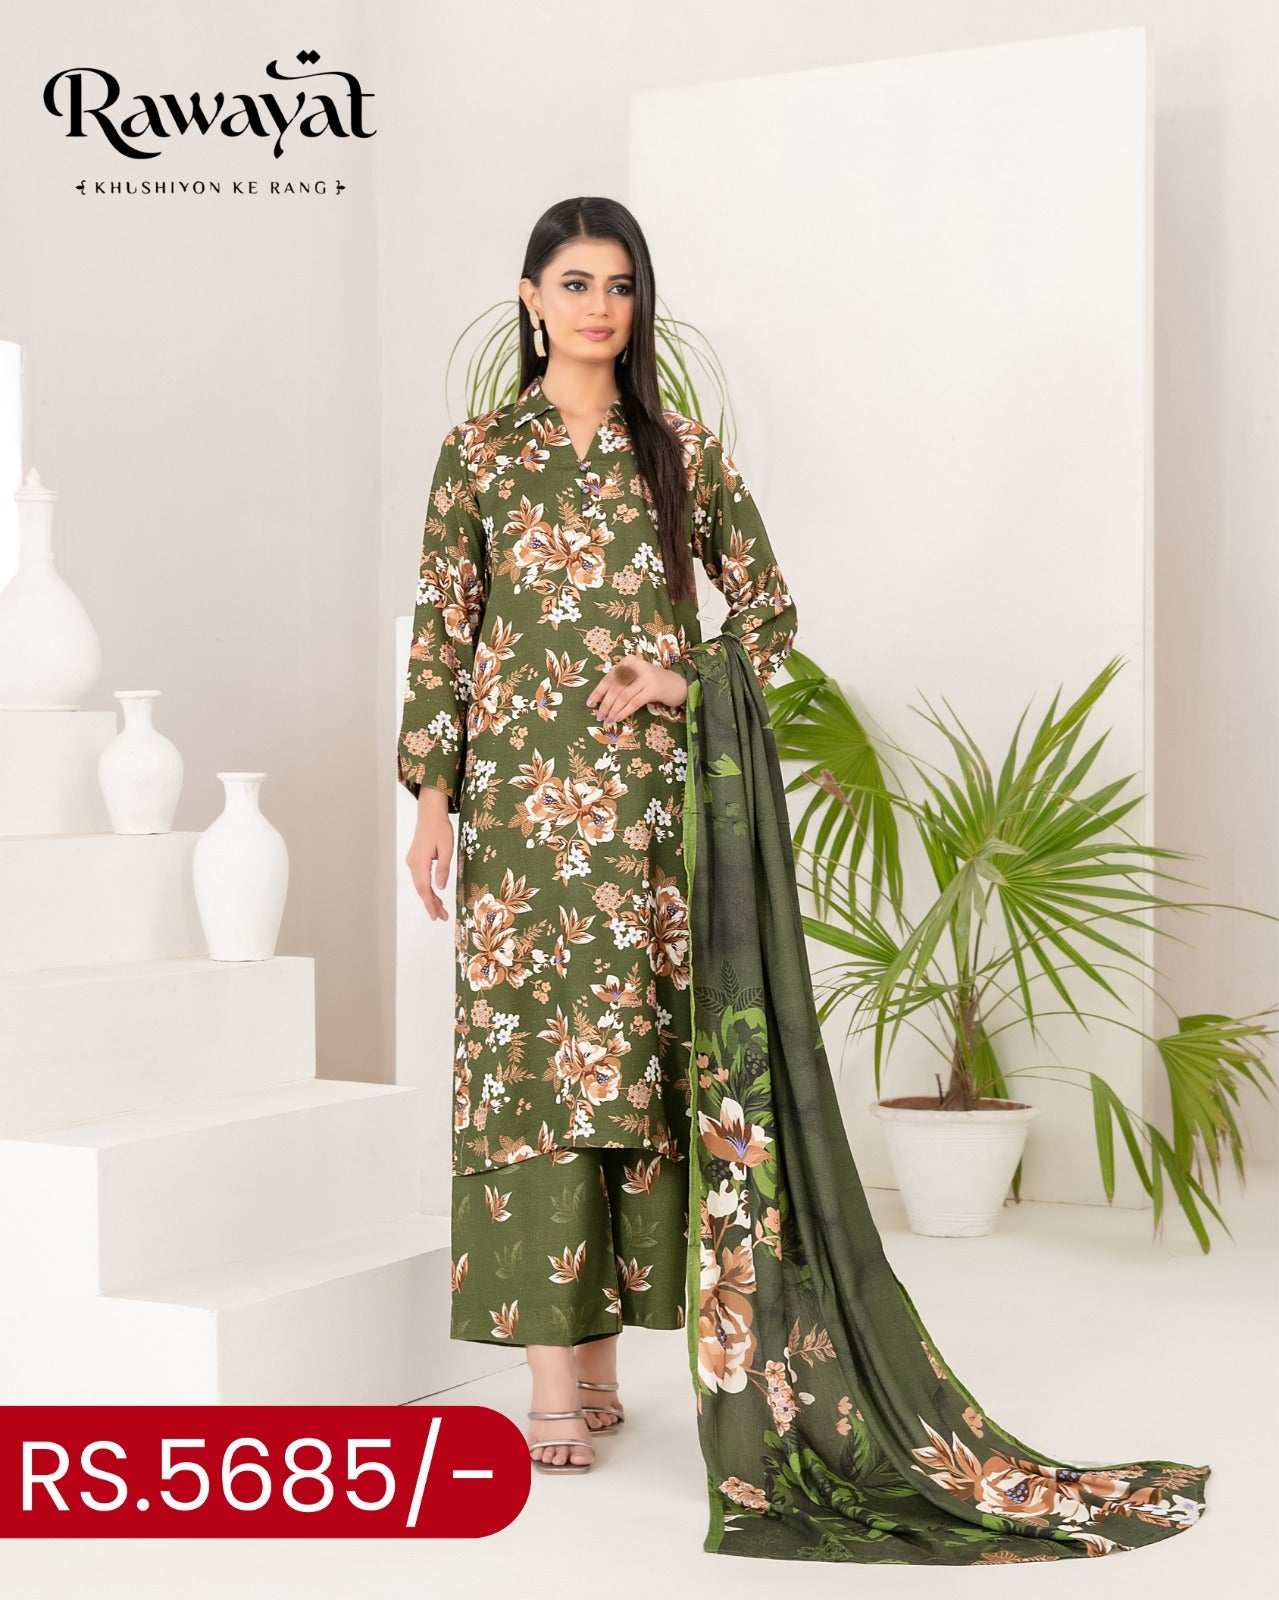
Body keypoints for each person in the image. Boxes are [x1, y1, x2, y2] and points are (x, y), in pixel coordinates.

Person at [397, 196, 797, 1473]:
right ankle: (548, 1378)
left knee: (627, 1068)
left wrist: (680, 679)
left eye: (619, 285)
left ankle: (606, 1360)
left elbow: (769, 612)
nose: (599, 307)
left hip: (642, 820)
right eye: (574, 283)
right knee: (530, 1074)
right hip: (520, 817)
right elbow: (442, 632)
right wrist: (431, 797)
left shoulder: (679, 449)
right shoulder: (479, 453)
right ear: (531, 297)